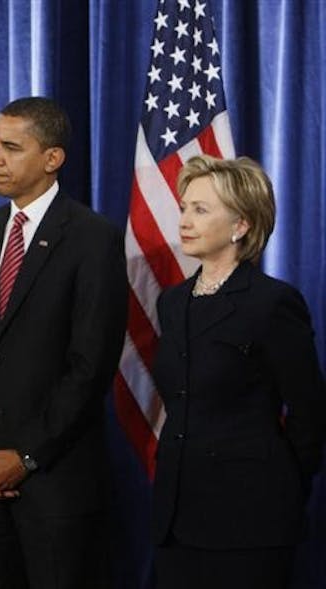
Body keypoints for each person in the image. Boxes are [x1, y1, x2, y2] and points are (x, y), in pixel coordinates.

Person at [0, 96, 128, 588]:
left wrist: (23, 456)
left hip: (53, 488)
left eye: (11, 147)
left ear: (52, 158)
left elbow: (90, 365)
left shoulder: (92, 238)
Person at [151, 155, 326, 589]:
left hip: (251, 516)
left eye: (201, 209)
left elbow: (309, 412)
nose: (185, 220)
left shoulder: (272, 303)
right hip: (177, 517)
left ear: (241, 226)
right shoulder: (171, 303)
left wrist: (283, 486)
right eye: (185, 206)